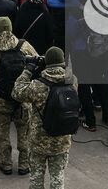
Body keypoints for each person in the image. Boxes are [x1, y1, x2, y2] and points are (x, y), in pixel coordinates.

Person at [0, 16, 38, 175]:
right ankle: (24, 164)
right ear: (10, 28)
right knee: (24, 131)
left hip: (0, 99)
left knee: (2, 133)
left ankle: (6, 164)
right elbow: (37, 63)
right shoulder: (24, 46)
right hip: (22, 99)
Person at [12, 46, 76, 189]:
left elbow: (17, 92)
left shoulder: (38, 86)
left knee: (36, 178)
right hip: (62, 140)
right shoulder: (73, 81)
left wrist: (28, 70)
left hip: (39, 141)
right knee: (57, 178)